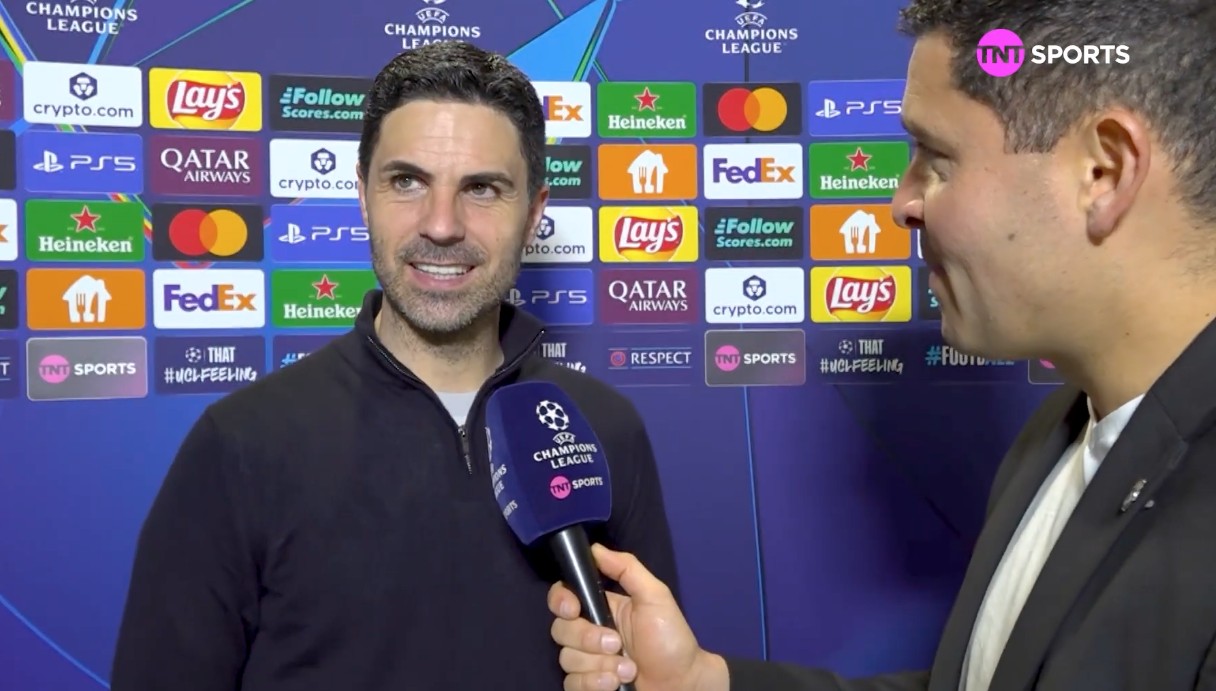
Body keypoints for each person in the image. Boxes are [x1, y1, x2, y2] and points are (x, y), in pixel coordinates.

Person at [546, 0, 1216, 689]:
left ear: (1103, 172)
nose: (902, 203)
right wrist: (705, 681)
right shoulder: (1059, 432)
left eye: (937, 157)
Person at [109, 41, 681, 690]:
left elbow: (662, 673)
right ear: (363, 196)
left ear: (533, 214)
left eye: (482, 188)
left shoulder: (605, 428)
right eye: (407, 181)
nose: (441, 225)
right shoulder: (240, 444)